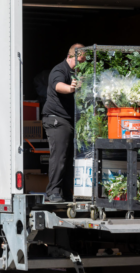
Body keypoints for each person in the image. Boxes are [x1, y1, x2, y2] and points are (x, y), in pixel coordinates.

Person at [42, 44, 86, 202]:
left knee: (69, 158)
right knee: (59, 156)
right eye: (79, 61)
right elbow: (58, 85)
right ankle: (53, 191)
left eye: (84, 62)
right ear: (70, 56)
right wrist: (70, 88)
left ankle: (66, 192)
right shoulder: (59, 70)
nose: (81, 65)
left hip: (68, 119)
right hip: (56, 119)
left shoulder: (76, 72)